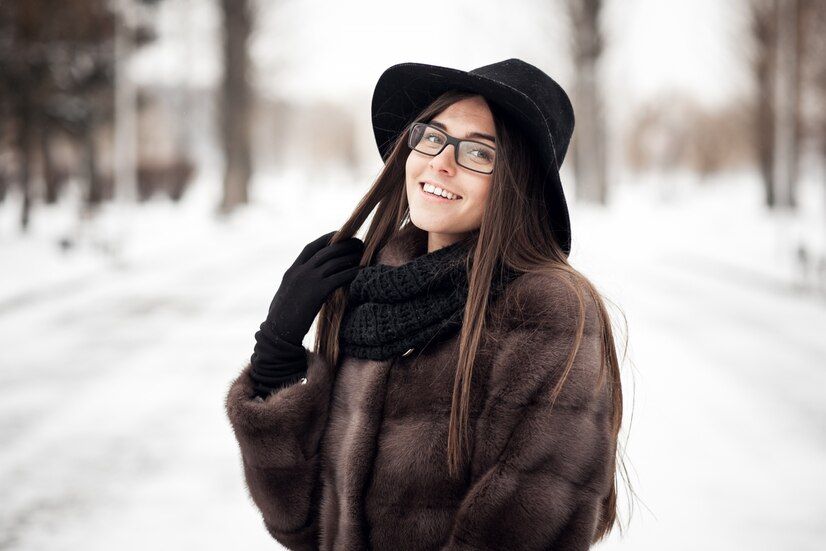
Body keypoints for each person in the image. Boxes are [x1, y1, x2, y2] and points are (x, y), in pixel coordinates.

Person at [225, 58, 629, 550]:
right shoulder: (373, 297)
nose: (441, 162)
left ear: (517, 184)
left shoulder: (545, 314)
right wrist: (277, 353)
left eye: (479, 152)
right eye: (432, 136)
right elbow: (301, 526)